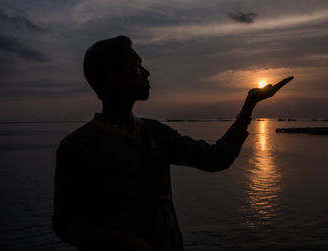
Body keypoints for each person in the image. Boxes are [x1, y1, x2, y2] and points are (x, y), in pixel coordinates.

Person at [52, 35, 293, 251]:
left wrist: (249, 105)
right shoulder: (78, 147)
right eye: (136, 66)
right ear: (112, 77)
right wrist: (115, 241)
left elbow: (216, 158)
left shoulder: (154, 133)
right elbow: (64, 224)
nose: (146, 73)